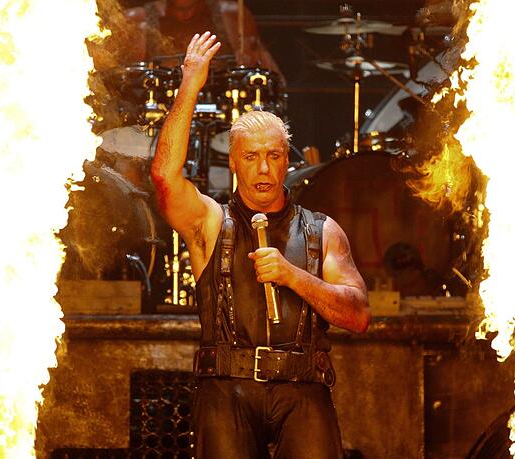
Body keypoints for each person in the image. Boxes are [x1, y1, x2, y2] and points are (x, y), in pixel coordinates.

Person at [150, 32, 370, 458]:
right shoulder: (210, 222)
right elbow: (164, 177)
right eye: (251, 157)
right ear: (233, 163)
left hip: (302, 389)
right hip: (226, 390)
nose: (263, 169)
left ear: (288, 161)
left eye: (273, 155)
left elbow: (359, 315)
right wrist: (190, 83)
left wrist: (294, 277)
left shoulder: (323, 231)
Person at [126, 0, 283, 77]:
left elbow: (274, 77)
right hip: (159, 113)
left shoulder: (233, 16)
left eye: (190, 8)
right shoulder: (138, 21)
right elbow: (127, 79)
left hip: (221, 113)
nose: (185, 15)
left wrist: (249, 63)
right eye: (178, 10)